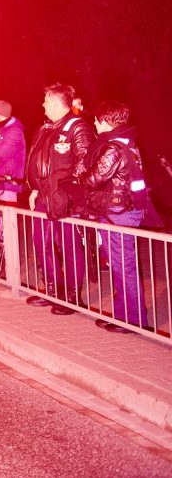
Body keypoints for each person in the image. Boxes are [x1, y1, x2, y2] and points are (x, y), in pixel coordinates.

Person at [79, 101, 150, 333]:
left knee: (124, 267)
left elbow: (93, 179)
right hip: (124, 212)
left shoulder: (112, 148)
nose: (95, 124)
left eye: (98, 120)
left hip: (118, 214)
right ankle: (123, 316)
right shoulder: (127, 142)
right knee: (122, 266)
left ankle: (133, 320)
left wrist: (79, 175)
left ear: (107, 122)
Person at [25, 83, 94, 314]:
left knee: (70, 247)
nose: (42, 104)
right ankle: (53, 292)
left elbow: (85, 164)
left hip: (66, 200)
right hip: (44, 197)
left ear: (55, 102)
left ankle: (73, 298)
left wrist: (65, 191)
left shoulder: (78, 127)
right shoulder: (45, 128)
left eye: (45, 101)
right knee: (41, 243)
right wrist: (34, 188)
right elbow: (36, 162)